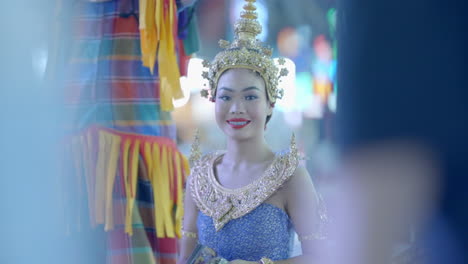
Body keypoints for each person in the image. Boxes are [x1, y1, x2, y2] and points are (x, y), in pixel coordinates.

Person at [177, 1, 327, 264]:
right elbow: (185, 258)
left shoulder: (290, 176)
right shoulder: (200, 175)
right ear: (214, 101)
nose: (237, 108)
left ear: (270, 104)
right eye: (226, 97)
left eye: (250, 97)